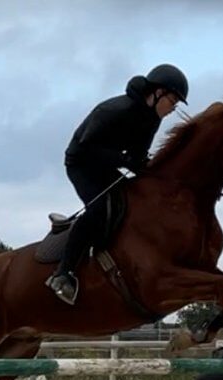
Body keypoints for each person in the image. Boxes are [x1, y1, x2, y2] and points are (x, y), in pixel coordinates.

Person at [47, 64, 189, 305]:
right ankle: (62, 274)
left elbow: (139, 155)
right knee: (100, 208)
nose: (172, 108)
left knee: (134, 198)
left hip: (106, 164)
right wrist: (126, 161)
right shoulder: (115, 110)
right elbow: (87, 148)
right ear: (156, 93)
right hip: (81, 163)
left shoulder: (151, 119)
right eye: (172, 101)